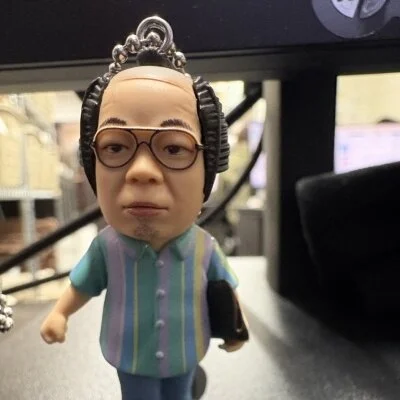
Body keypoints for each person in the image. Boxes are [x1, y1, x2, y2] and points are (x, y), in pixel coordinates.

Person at [40, 16, 248, 400]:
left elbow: (226, 288)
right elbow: (81, 284)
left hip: (186, 353)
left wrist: (237, 328)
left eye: (174, 148)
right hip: (130, 356)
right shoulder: (107, 248)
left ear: (208, 168)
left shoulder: (204, 248)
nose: (142, 171)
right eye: (116, 146)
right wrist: (59, 313)